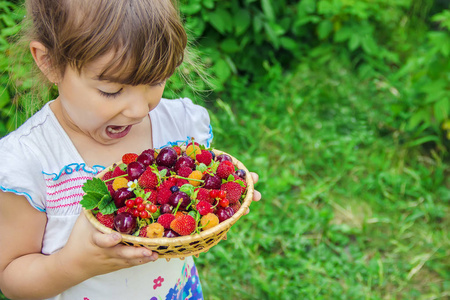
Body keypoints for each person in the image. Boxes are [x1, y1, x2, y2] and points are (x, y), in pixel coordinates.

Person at [0, 0, 261, 299]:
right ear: (49, 62)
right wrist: (73, 266)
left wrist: (220, 199)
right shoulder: (32, 162)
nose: (139, 110)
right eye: (112, 91)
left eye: (156, 81)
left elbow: (189, 204)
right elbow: (11, 278)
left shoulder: (177, 127)